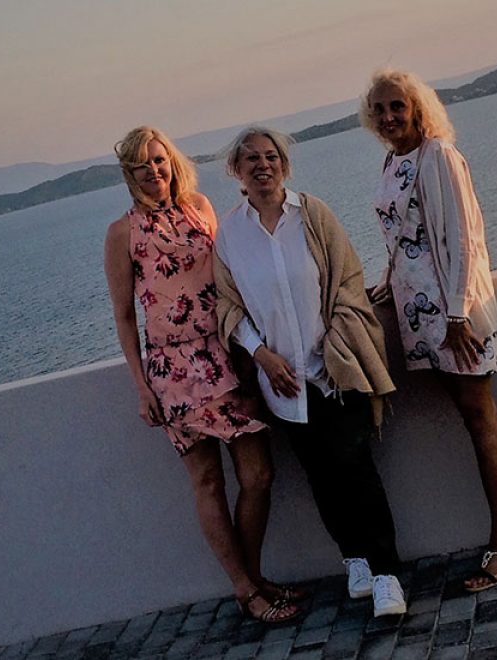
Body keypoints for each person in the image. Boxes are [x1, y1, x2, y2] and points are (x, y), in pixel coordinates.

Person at [359, 69, 497, 593]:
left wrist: (456, 314)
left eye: (397, 106)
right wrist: (388, 281)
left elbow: (467, 239)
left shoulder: (439, 156)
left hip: (455, 315)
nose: (388, 116)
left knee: (479, 417)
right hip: (419, 313)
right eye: (379, 109)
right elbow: (404, 236)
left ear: (417, 107)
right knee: (479, 415)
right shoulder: (393, 161)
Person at [104, 126, 300, 623]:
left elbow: (231, 279)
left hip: (226, 356)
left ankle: (253, 577)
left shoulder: (200, 208)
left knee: (258, 475)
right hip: (173, 371)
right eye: (142, 165)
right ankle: (247, 589)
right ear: (130, 173)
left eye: (159, 160)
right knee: (208, 481)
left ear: (172, 162)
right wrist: (141, 386)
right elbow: (124, 316)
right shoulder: (123, 232)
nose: (153, 171)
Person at [212, 126, 407, 617]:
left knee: (357, 470)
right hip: (282, 384)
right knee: (321, 476)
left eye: (271, 156)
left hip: (334, 370)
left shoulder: (313, 215)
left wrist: (337, 340)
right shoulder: (230, 234)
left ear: (284, 164)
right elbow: (229, 307)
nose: (263, 165)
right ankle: (354, 559)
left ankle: (387, 575)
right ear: (236, 170)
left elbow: (348, 281)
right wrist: (262, 355)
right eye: (252, 159)